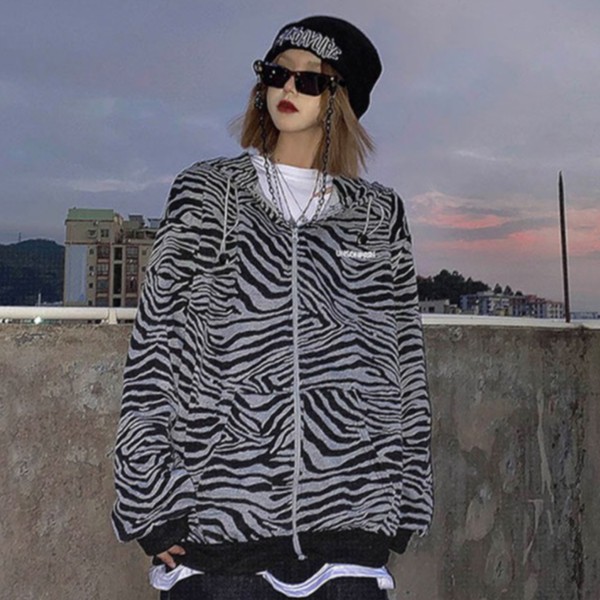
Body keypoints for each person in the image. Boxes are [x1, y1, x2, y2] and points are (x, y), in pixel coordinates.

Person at [112, 15, 433, 600]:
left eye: (310, 79)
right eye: (276, 73)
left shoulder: (378, 214)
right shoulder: (208, 193)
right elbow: (156, 347)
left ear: (341, 99)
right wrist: (149, 500)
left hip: (351, 529)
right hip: (219, 529)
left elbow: (404, 363)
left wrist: (405, 500)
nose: (288, 88)